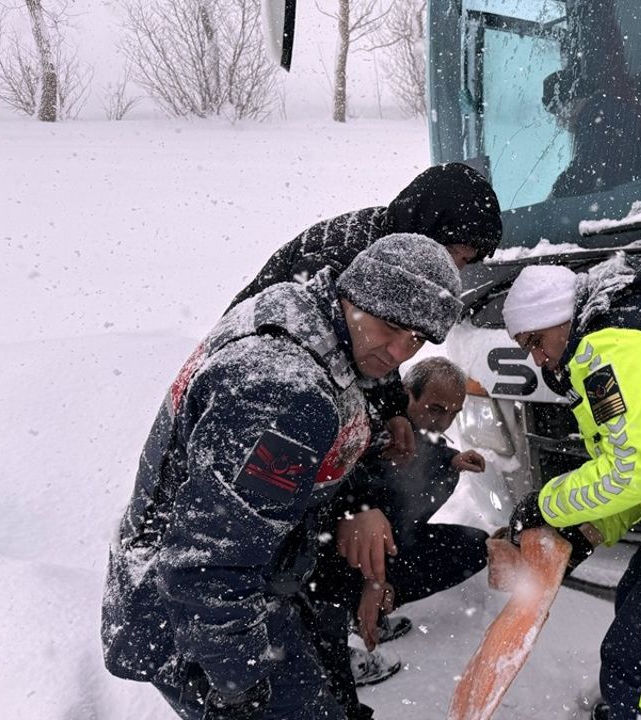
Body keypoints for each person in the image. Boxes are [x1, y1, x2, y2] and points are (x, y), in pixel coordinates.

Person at [102, 233, 464, 719]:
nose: (399, 352)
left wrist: (357, 504)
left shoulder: (310, 316)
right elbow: (207, 565)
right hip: (199, 625)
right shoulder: (283, 391)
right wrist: (242, 685)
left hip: (244, 592)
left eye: (416, 338)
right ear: (355, 293)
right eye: (391, 326)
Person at [502, 254, 641, 720]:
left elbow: (633, 471)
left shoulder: (608, 349)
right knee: (639, 609)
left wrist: (547, 505)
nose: (537, 356)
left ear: (561, 319)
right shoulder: (634, 321)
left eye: (536, 339)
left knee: (638, 653)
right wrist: (591, 527)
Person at [230, 162, 502, 466]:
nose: (453, 268)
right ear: (426, 224)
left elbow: (374, 348)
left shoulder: (391, 244)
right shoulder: (350, 262)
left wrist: (392, 409)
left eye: (466, 261)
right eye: (453, 252)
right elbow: (305, 367)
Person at [309, 357, 491, 719]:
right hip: (320, 558)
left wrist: (452, 459)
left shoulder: (415, 436)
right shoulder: (366, 428)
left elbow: (420, 461)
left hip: (377, 545)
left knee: (474, 545)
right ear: (406, 393)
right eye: (436, 409)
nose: (443, 421)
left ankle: (373, 602)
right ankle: (333, 653)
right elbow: (327, 505)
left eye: (453, 413)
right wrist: (367, 563)